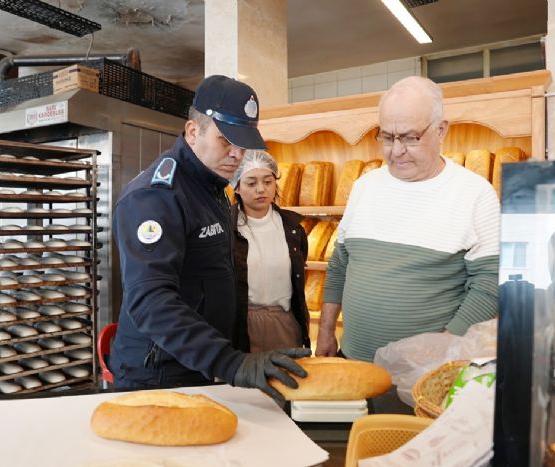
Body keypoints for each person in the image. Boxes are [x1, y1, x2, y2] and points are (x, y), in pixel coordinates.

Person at [109, 75, 311, 402]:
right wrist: (229, 362)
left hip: (200, 363)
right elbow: (150, 301)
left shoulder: (211, 187)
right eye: (225, 140)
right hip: (159, 372)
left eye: (243, 143)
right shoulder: (156, 197)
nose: (237, 154)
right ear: (193, 132)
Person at [316, 76, 500, 362]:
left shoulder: (476, 193)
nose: (396, 150)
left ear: (441, 130)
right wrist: (326, 330)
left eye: (410, 137)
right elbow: (340, 265)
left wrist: (444, 348)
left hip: (424, 373)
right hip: (352, 361)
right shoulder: (364, 186)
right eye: (387, 137)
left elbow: (489, 283)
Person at [231, 150, 311, 353]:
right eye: (251, 183)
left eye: (268, 181)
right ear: (237, 187)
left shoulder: (293, 228)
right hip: (240, 325)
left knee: (287, 373)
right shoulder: (225, 228)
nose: (261, 189)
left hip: (284, 323)